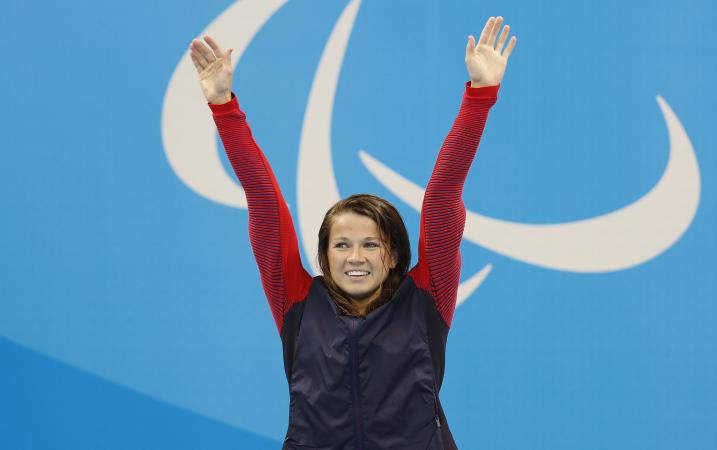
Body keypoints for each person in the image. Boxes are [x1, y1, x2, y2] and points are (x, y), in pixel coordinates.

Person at [190, 16, 516, 450]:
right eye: (341, 245)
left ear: (394, 254)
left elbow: (442, 198)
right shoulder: (297, 303)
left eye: (371, 244)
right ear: (324, 257)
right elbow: (265, 203)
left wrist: (478, 99)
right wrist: (224, 107)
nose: (355, 257)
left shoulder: (426, 298)